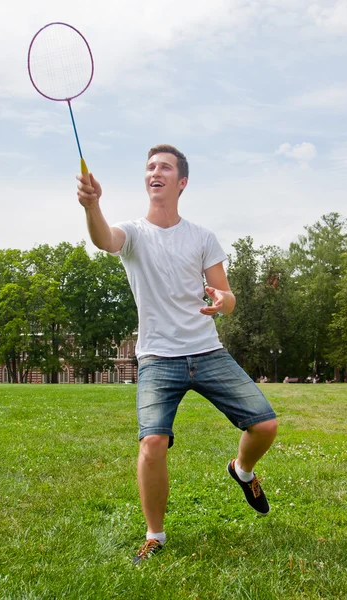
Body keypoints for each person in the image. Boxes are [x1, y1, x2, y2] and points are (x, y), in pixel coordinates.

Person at [76, 144, 277, 565]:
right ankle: (155, 535)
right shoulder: (132, 234)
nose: (155, 171)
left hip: (207, 349)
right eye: (150, 167)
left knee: (265, 426)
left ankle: (241, 471)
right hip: (157, 358)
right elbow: (103, 239)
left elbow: (227, 295)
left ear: (181, 182)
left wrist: (222, 301)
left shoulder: (202, 237)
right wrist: (93, 206)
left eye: (164, 167)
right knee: (152, 442)